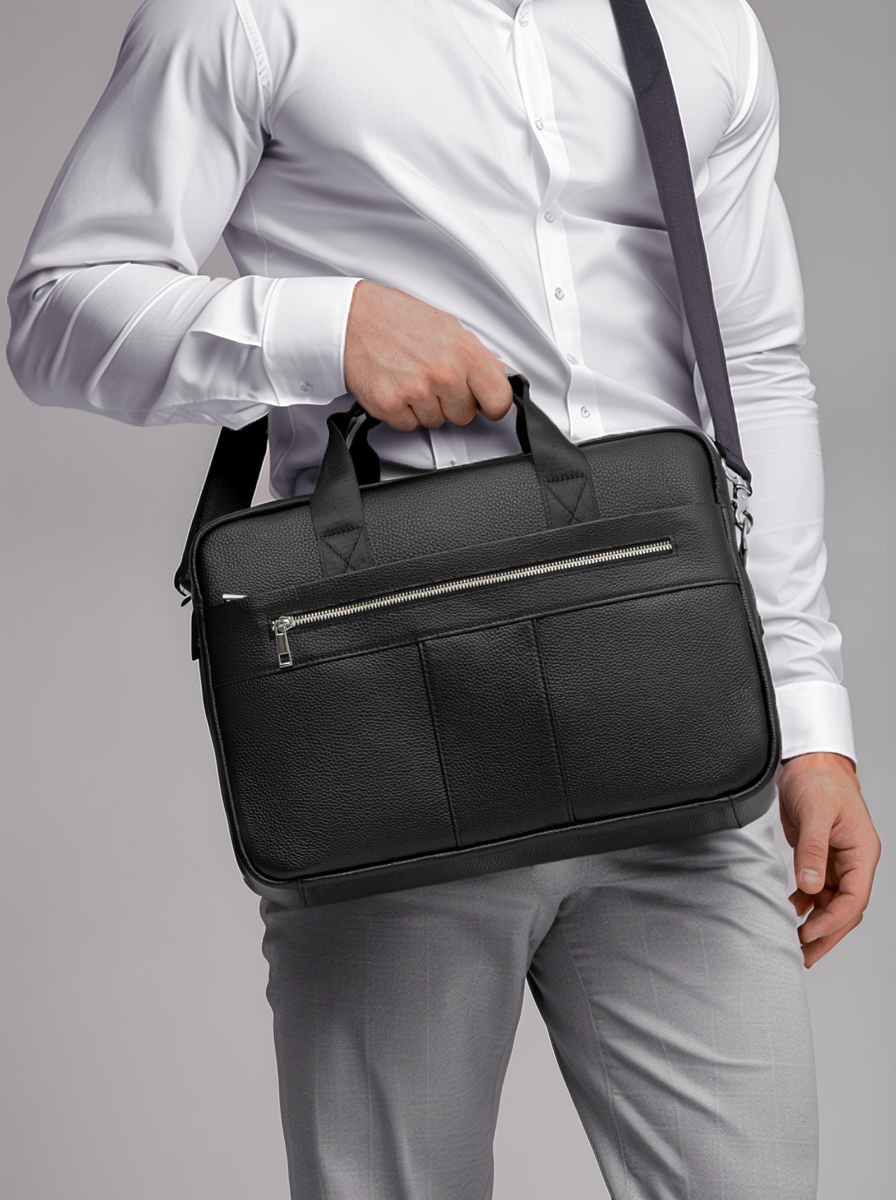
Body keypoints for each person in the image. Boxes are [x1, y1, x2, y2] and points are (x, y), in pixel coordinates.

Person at [6, 0, 881, 1196]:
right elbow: (56, 312)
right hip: (391, 743)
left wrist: (810, 720)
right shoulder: (246, 15)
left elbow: (756, 366)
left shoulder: (694, 21)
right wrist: (327, 329)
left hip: (682, 726)